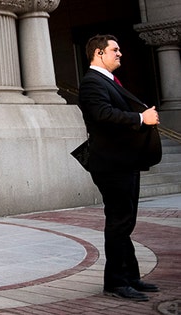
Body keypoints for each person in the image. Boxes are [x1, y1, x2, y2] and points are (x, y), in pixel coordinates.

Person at [77, 34, 161, 302]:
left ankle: (130, 276)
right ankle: (115, 282)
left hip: (124, 161)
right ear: (99, 53)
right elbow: (103, 114)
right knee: (119, 222)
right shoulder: (91, 82)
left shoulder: (108, 80)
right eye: (115, 49)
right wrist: (141, 117)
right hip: (111, 164)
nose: (120, 53)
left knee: (125, 222)